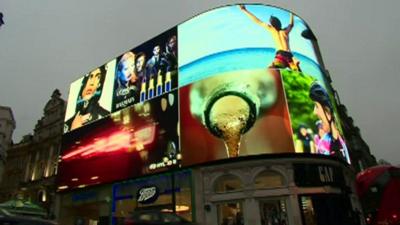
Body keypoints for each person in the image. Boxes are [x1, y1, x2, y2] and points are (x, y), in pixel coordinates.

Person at [239, 5, 301, 71]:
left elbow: (258, 21)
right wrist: (291, 13)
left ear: (272, 25)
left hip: (280, 56)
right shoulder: (285, 31)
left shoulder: (271, 29)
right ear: (280, 23)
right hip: (289, 56)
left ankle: (272, 67)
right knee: (298, 72)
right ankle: (295, 66)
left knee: (271, 69)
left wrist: (244, 10)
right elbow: (291, 24)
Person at [309, 82, 350, 163]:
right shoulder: (322, 144)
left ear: (328, 113)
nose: (314, 112)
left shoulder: (341, 143)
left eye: (316, 106)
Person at [64, 67, 109, 132]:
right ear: (84, 82)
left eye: (98, 77)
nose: (92, 83)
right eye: (91, 76)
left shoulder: (103, 114)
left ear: (99, 84)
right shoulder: (68, 123)